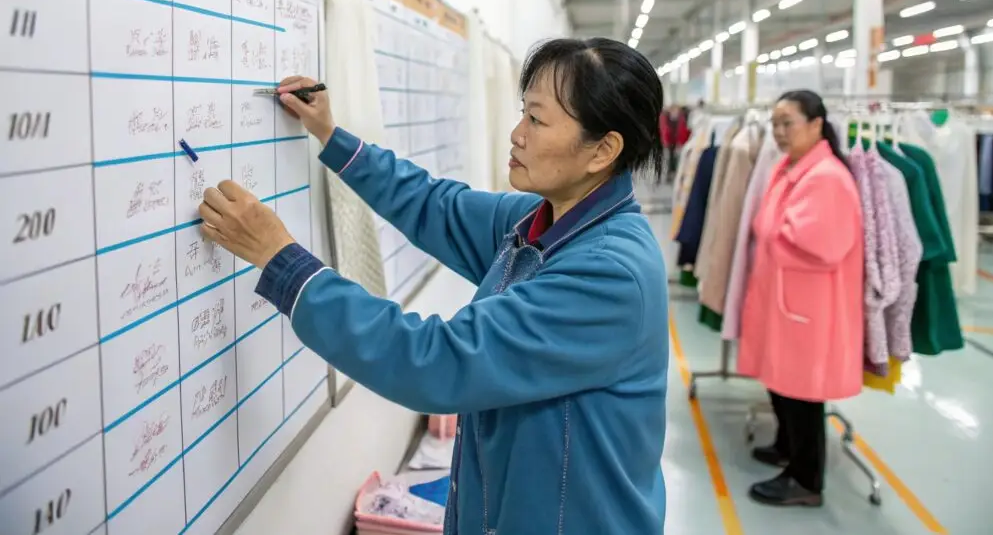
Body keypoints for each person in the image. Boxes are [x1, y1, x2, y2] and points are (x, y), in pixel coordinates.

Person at [196, 38, 670, 534]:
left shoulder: (609, 273)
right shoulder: (544, 223)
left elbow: (438, 359)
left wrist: (283, 262)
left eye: (537, 119)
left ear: (603, 150)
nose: (516, 133)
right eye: (522, 113)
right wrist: (330, 135)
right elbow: (433, 205)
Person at [736, 89, 864, 508]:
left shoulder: (826, 177)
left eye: (787, 123)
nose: (778, 132)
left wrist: (773, 229)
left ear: (816, 124)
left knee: (803, 393)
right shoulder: (792, 168)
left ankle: (806, 480)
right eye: (774, 124)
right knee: (783, 384)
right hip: (787, 299)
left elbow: (820, 241)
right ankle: (786, 447)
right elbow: (768, 224)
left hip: (809, 308)